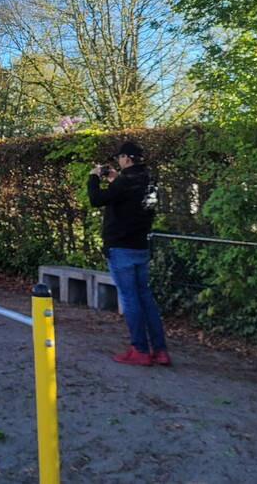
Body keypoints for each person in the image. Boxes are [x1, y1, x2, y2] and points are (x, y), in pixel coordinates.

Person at [88, 141, 170, 366]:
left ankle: (140, 350)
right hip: (141, 245)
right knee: (145, 298)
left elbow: (96, 200)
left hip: (120, 247)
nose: (118, 161)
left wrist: (93, 177)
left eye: (119, 158)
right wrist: (115, 179)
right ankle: (160, 350)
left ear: (126, 157)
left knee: (130, 299)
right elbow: (134, 201)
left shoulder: (125, 181)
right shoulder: (150, 180)